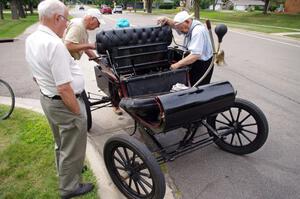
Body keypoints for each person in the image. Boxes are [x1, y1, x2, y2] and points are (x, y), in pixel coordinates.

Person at [25, 0, 94, 198]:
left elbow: (36, 75)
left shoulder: (33, 38)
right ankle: (70, 187)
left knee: (61, 143)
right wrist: (76, 112)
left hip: (48, 99)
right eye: (66, 19)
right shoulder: (54, 44)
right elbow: (64, 88)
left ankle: (65, 172)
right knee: (72, 146)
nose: (68, 23)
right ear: (57, 18)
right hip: (64, 103)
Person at [157, 11, 213, 86]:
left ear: (187, 21)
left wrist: (176, 65)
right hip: (195, 62)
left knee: (198, 88)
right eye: (179, 29)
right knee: (191, 85)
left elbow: (195, 56)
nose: (181, 31)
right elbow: (175, 25)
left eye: (182, 28)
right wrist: (166, 19)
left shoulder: (198, 31)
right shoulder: (188, 25)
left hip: (203, 64)